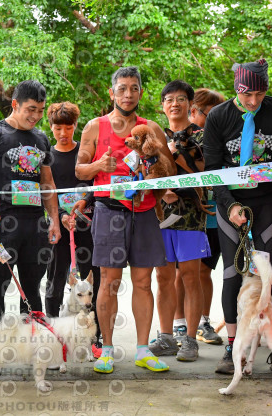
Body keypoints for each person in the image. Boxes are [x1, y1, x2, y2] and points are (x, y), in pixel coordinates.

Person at [74, 67, 176, 374]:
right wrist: (98, 165)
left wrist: (153, 167)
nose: (128, 94)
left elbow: (169, 172)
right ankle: (106, 349)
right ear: (112, 93)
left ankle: (143, 350)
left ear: (140, 92)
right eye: (122, 89)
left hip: (144, 213)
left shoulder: (152, 128)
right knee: (109, 282)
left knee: (144, 283)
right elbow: (79, 171)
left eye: (133, 88)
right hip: (108, 212)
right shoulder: (95, 127)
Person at [202, 59, 272, 378]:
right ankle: (233, 349)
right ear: (236, 89)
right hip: (232, 203)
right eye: (246, 94)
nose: (253, 101)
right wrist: (228, 206)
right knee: (232, 274)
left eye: (259, 94)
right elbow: (213, 171)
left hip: (270, 201)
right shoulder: (217, 117)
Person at [0, 80, 61, 377]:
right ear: (15, 105)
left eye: (40, 111)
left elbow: (47, 183)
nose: (35, 116)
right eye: (30, 110)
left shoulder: (41, 138)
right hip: (3, 225)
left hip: (35, 226)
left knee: (31, 288)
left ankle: (34, 349)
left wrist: (55, 220)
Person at [149, 80, 210, 363]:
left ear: (190, 104)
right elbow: (143, 169)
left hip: (191, 213)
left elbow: (204, 169)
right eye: (169, 99)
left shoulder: (201, 134)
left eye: (181, 99)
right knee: (162, 276)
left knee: (190, 275)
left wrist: (175, 152)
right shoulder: (154, 135)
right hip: (159, 212)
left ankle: (190, 339)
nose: (175, 103)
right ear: (162, 106)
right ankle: (166, 337)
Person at [43, 101, 102, 352]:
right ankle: (54, 333)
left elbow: (98, 184)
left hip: (89, 226)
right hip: (59, 226)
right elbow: (46, 191)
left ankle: (94, 336)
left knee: (92, 281)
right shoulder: (48, 156)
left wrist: (83, 205)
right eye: (58, 129)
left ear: (76, 126)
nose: (63, 133)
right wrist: (61, 216)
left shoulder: (85, 154)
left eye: (68, 127)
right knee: (55, 280)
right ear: (51, 128)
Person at [189, 88, 226, 347]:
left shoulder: (223, 139)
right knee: (186, 274)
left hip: (216, 216)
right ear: (194, 112)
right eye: (209, 115)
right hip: (188, 219)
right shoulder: (181, 139)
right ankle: (180, 327)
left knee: (205, 272)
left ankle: (204, 322)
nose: (215, 120)